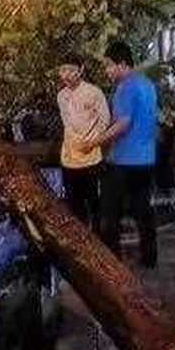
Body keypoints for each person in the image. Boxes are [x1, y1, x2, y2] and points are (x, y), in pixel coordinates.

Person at [90, 41, 159, 268]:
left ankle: (111, 262)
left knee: (109, 213)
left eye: (109, 66)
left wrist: (95, 141)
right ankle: (149, 257)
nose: (107, 71)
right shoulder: (147, 85)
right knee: (143, 209)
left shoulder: (125, 87)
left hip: (123, 160)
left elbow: (123, 124)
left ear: (121, 64)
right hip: (146, 158)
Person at [56, 55, 110, 232]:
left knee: (95, 204)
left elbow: (105, 120)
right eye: (63, 70)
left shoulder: (93, 92)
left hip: (91, 158)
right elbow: (67, 123)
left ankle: (99, 242)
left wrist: (93, 141)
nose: (66, 74)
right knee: (74, 205)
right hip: (69, 158)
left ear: (80, 70)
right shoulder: (61, 96)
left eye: (70, 70)